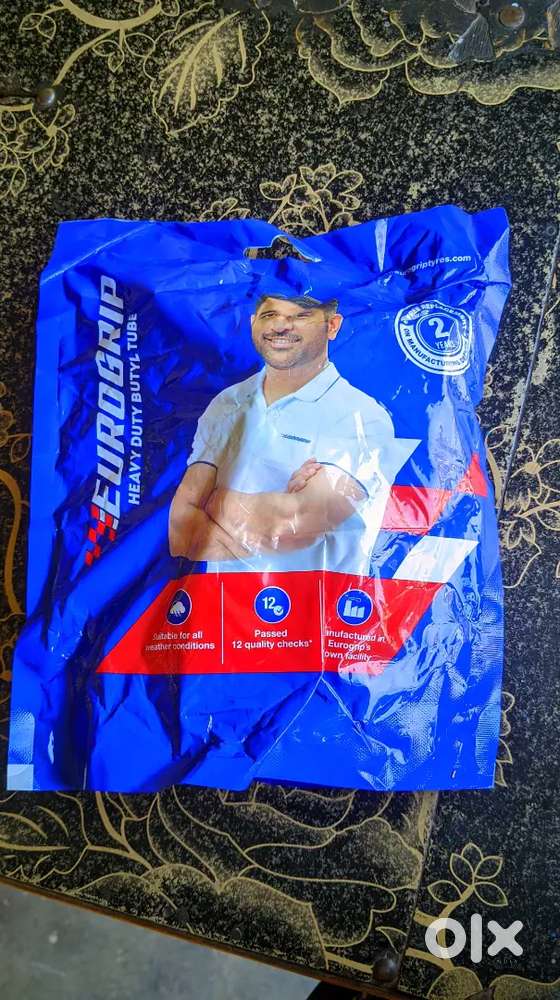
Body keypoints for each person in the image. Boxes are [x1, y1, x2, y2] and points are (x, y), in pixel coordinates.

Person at [169, 293, 414, 576]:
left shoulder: (360, 415)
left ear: (332, 326)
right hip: (217, 600)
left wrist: (210, 501)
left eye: (301, 316)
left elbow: (290, 524)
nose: (281, 326)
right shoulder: (227, 403)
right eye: (270, 315)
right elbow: (182, 534)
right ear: (253, 323)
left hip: (314, 600)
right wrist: (276, 508)